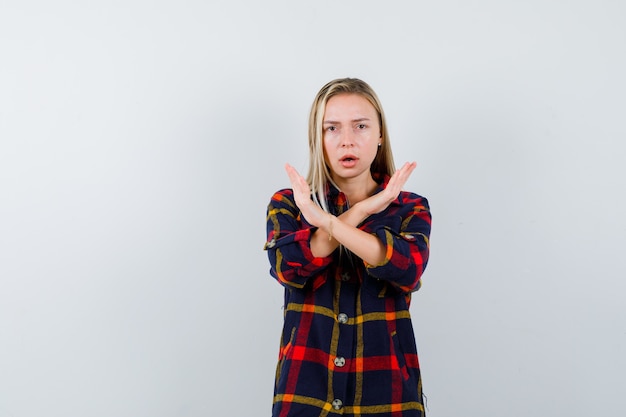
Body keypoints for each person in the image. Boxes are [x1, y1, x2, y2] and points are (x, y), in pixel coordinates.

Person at [264, 78, 432, 417]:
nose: (347, 141)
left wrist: (327, 222)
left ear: (380, 134)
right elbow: (289, 268)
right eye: (332, 129)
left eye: (361, 126)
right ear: (318, 138)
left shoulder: (409, 208)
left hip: (389, 396)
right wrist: (361, 211)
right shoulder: (290, 204)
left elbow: (406, 269)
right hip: (305, 393)